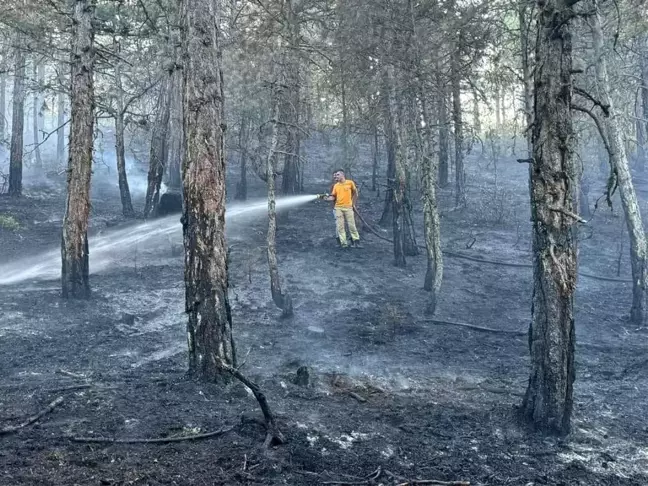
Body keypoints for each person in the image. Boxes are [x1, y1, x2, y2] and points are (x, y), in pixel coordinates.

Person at [325, 170, 362, 249]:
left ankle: (356, 242)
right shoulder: (336, 186)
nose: (336, 176)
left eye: (338, 175)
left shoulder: (350, 183)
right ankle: (343, 244)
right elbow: (333, 196)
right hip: (338, 208)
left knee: (352, 225)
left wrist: (353, 203)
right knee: (340, 226)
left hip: (348, 208)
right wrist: (327, 198)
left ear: (342, 175)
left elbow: (355, 193)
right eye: (335, 175)